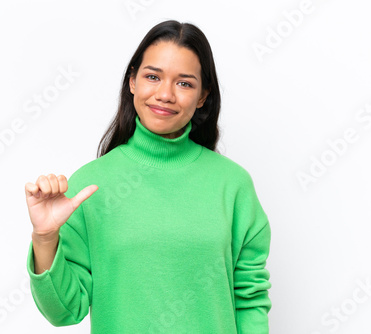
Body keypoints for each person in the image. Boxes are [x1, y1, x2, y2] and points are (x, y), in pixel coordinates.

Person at [25, 19, 272, 333]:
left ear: (202, 96)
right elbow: (64, 311)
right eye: (153, 77)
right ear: (132, 81)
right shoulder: (89, 187)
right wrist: (45, 238)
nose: (165, 94)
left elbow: (249, 300)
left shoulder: (233, 186)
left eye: (184, 83)